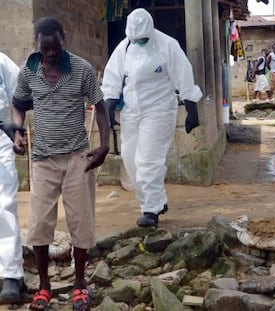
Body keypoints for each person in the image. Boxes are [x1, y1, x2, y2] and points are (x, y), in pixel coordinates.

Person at [11, 16, 110, 310]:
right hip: (43, 160)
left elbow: (101, 108)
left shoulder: (81, 69)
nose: (52, 54)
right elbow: (18, 104)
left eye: (56, 47)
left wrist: (104, 146)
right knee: (40, 226)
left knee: (81, 223)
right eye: (46, 49)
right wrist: (17, 131)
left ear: (63, 40)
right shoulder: (28, 72)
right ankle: (44, 287)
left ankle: (80, 284)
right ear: (37, 45)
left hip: (78, 157)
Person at [101, 8, 202, 228]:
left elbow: (183, 77)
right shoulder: (125, 47)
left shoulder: (168, 45)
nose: (139, 42)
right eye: (136, 39)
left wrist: (192, 110)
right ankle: (157, 200)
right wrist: (108, 105)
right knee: (129, 158)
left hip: (159, 110)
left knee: (148, 161)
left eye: (143, 39)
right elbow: (112, 77)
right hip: (131, 111)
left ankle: (151, 210)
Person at [0, 52, 27, 305]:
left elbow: (20, 93)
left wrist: (16, 128)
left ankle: (11, 275)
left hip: (0, 138)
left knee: (4, 204)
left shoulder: (1, 61)